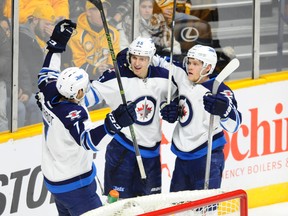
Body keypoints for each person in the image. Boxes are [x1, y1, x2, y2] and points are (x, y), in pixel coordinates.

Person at [36, 19, 136, 215]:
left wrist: (56, 44)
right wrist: (113, 123)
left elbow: (47, 71)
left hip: (55, 180)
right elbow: (89, 142)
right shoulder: (73, 113)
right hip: (75, 184)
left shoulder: (49, 90)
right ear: (78, 93)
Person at [84, 36, 178, 198]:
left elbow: (178, 95)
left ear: (151, 58)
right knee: (117, 205)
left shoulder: (164, 77)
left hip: (151, 154)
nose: (137, 63)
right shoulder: (115, 78)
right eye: (134, 57)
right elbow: (85, 99)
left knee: (151, 205)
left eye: (142, 59)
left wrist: (172, 106)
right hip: (122, 150)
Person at [155, 44, 242, 192]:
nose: (190, 66)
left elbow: (235, 125)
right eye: (189, 62)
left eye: (195, 64)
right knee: (177, 208)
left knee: (205, 210)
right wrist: (172, 107)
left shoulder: (220, 90)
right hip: (182, 158)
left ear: (207, 68)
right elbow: (160, 62)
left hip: (207, 157)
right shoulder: (183, 77)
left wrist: (224, 111)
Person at [69, 0, 120, 80]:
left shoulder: (113, 33)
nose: (103, 13)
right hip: (81, 79)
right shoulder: (76, 35)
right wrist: (95, 70)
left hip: (107, 78)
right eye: (99, 9)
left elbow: (115, 57)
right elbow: (77, 63)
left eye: (105, 9)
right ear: (89, 12)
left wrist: (109, 67)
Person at [115, 0, 182, 55]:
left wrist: (164, 53)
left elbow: (175, 47)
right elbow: (123, 49)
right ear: (137, 8)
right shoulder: (127, 24)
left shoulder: (161, 23)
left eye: (150, 7)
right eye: (143, 7)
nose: (147, 10)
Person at [3, 0, 69, 24]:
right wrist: (35, 20)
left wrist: (59, 17)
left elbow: (60, 3)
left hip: (52, 22)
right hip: (28, 26)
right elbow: (13, 11)